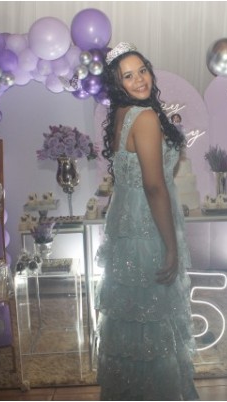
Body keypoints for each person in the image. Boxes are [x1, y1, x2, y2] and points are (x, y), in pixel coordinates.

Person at [94, 42, 199, 401]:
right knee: (153, 317)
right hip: (147, 227)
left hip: (126, 223)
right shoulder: (145, 117)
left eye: (142, 70)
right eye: (128, 75)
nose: (139, 79)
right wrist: (171, 247)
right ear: (117, 83)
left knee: (134, 318)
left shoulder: (122, 113)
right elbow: (154, 187)